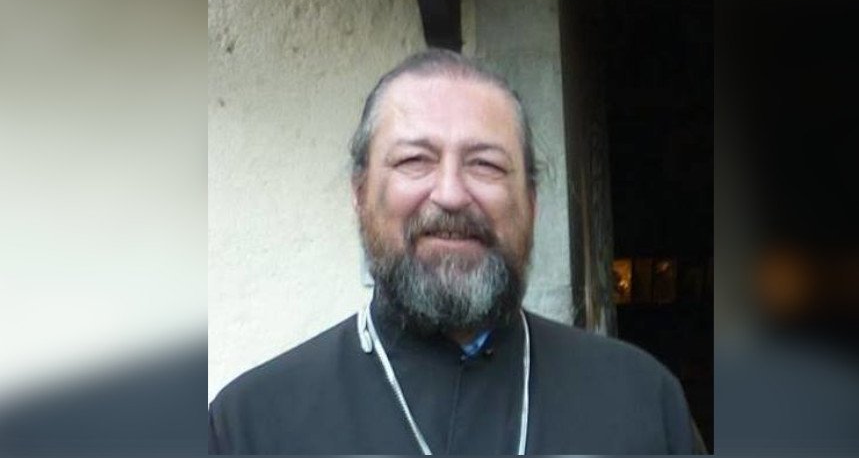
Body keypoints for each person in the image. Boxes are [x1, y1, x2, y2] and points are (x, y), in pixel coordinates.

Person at [208, 49, 702, 454]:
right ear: (360, 194)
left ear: (531, 202)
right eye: (414, 160)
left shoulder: (641, 400)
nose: (450, 194)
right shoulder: (251, 424)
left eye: (485, 165)